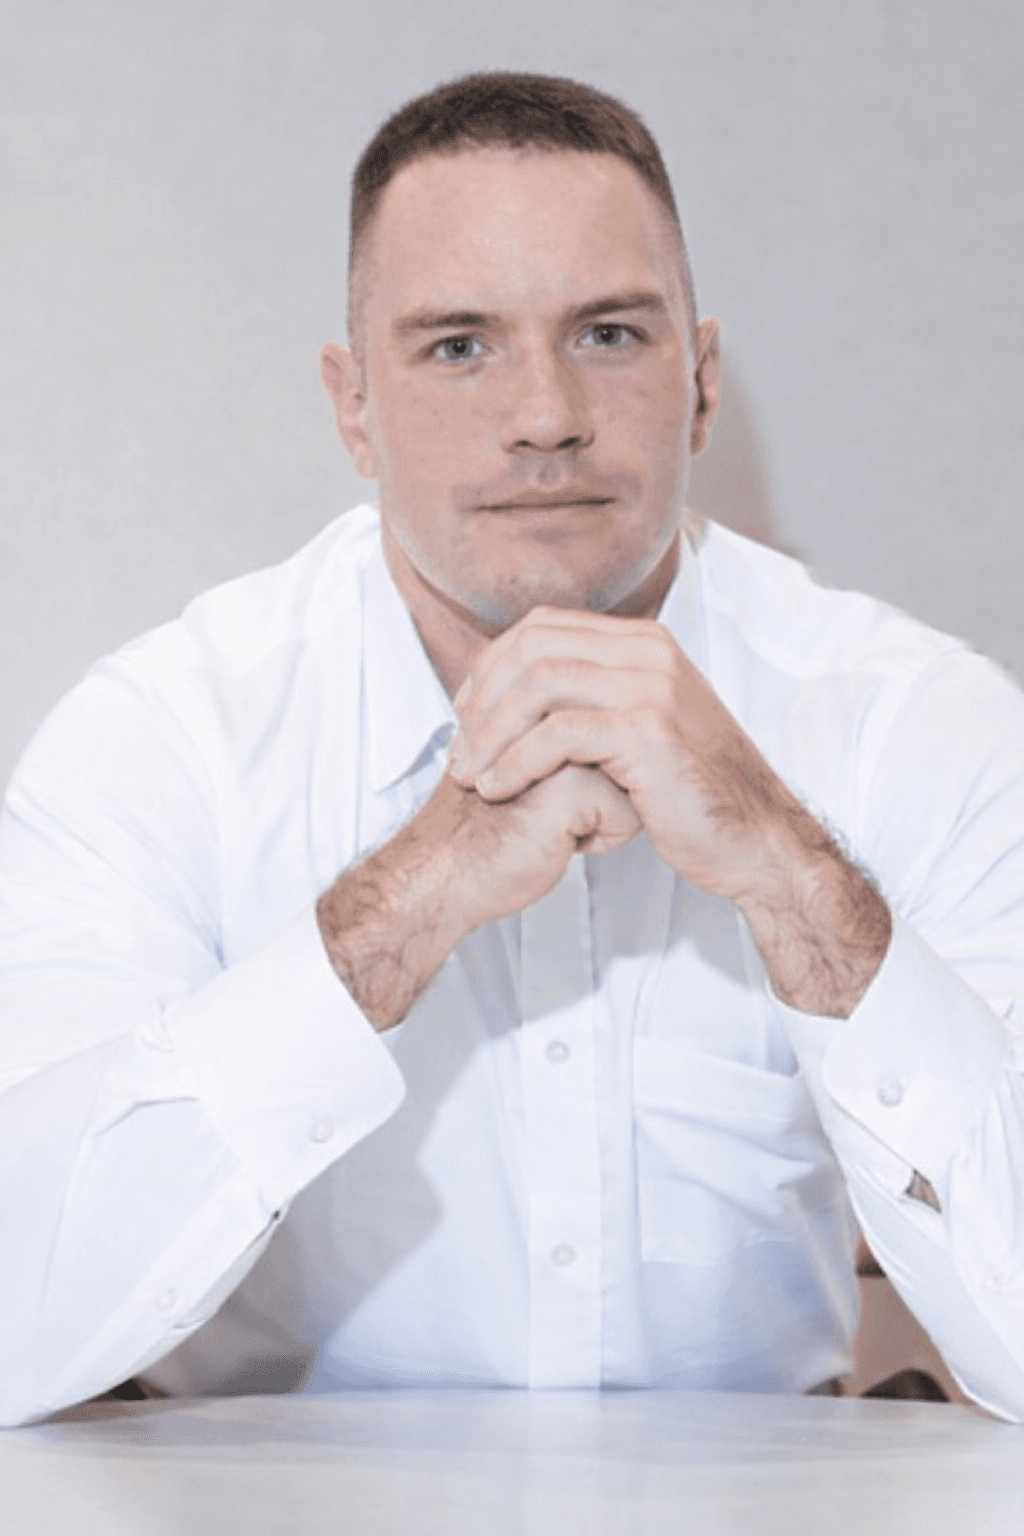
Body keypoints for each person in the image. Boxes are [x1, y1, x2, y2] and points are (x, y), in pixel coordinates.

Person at [2, 71, 1023, 1429]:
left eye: (608, 333)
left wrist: (794, 876)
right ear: (353, 406)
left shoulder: (917, 724)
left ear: (702, 383)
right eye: (458, 346)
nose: (545, 415)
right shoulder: (163, 744)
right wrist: (400, 908)